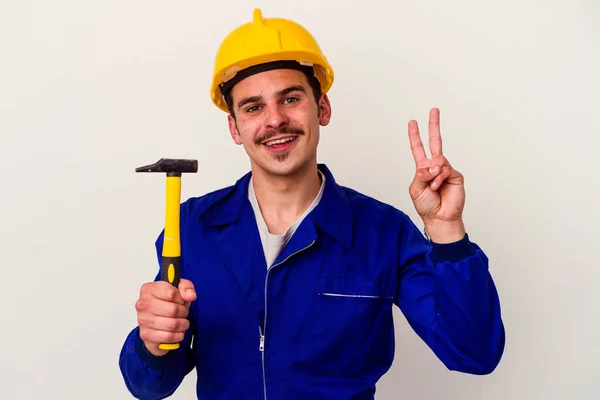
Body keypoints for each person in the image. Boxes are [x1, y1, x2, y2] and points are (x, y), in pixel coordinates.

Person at [118, 8, 505, 400]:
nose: (274, 120)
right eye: (253, 107)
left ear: (323, 108)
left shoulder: (382, 231)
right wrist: (152, 342)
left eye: (290, 98)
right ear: (235, 127)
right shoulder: (192, 228)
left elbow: (474, 353)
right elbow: (149, 385)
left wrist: (447, 233)